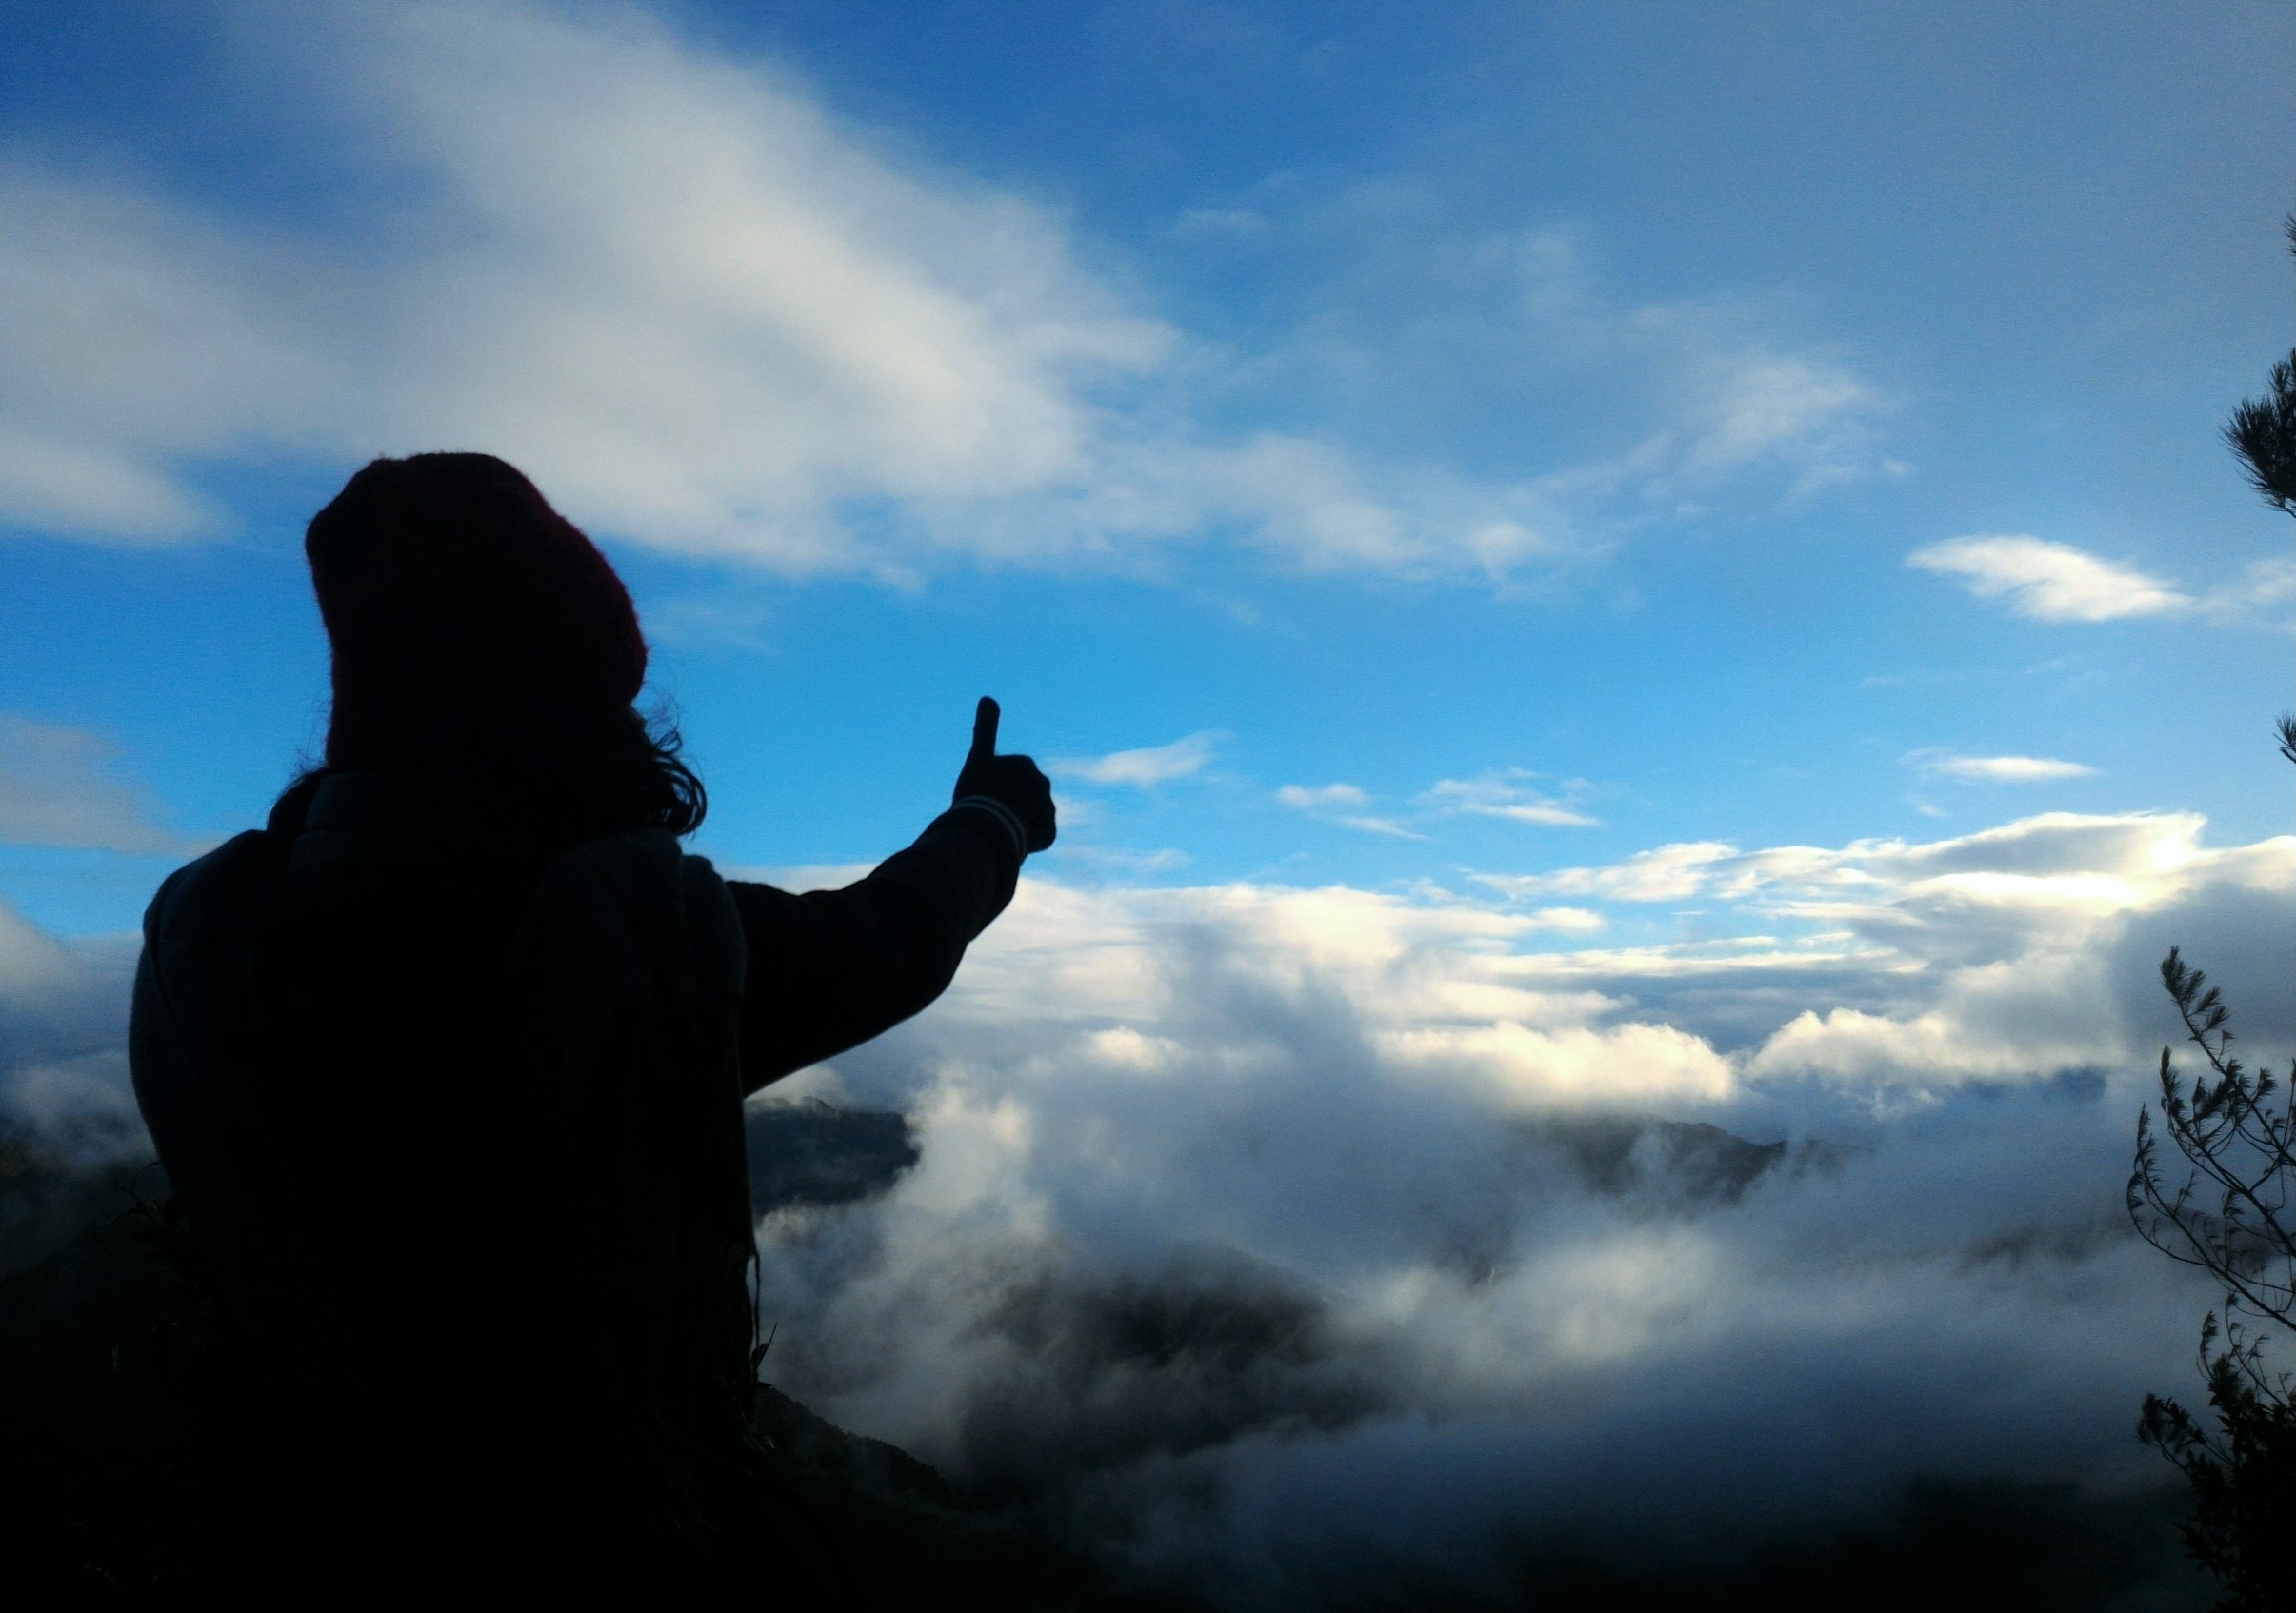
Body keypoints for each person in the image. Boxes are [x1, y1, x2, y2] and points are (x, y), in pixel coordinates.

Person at [128, 452, 1054, 1604]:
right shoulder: (614, 938)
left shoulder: (205, 938)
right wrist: (994, 821)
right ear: (556, 704)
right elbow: (881, 941)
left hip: (275, 1539)